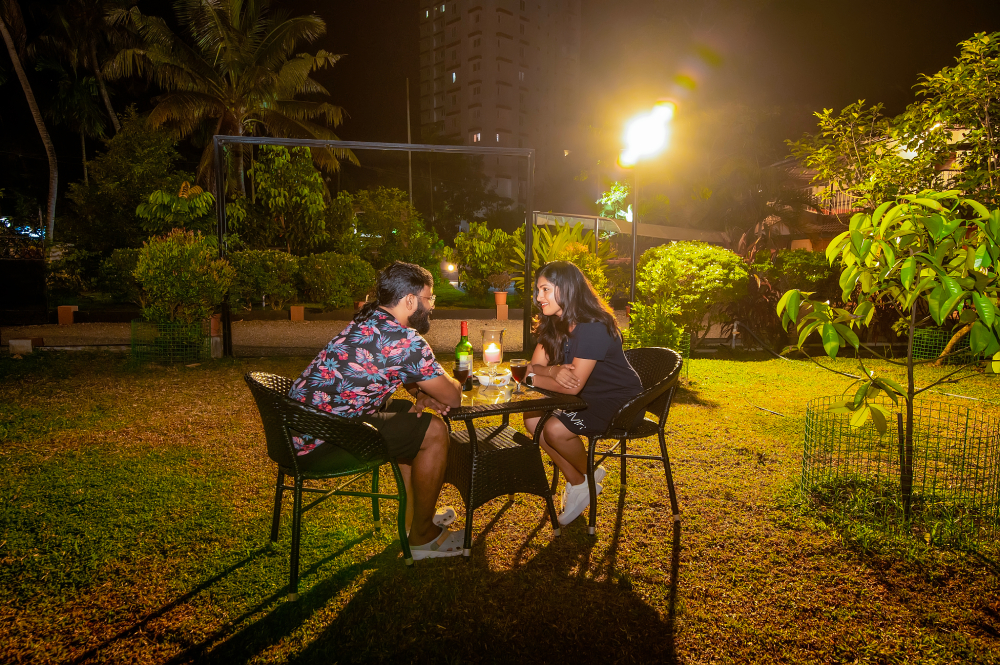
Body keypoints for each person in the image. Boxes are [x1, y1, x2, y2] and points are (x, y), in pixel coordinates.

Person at [288, 261, 466, 559]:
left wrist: (422, 393)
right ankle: (423, 538)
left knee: (409, 413)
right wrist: (454, 384)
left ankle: (413, 519)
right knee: (434, 431)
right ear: (410, 301)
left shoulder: (368, 319)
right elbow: (454, 397)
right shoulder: (406, 340)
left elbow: (392, 369)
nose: (432, 305)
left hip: (298, 429)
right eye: (430, 298)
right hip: (322, 442)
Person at [523, 261, 643, 525]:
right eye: (538, 290)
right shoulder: (556, 323)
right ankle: (580, 480)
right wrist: (552, 371)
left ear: (566, 288)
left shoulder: (592, 326)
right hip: (587, 399)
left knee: (555, 429)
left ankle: (585, 476)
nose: (539, 297)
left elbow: (571, 385)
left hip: (621, 404)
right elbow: (534, 366)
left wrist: (531, 377)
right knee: (532, 419)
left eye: (545, 289)